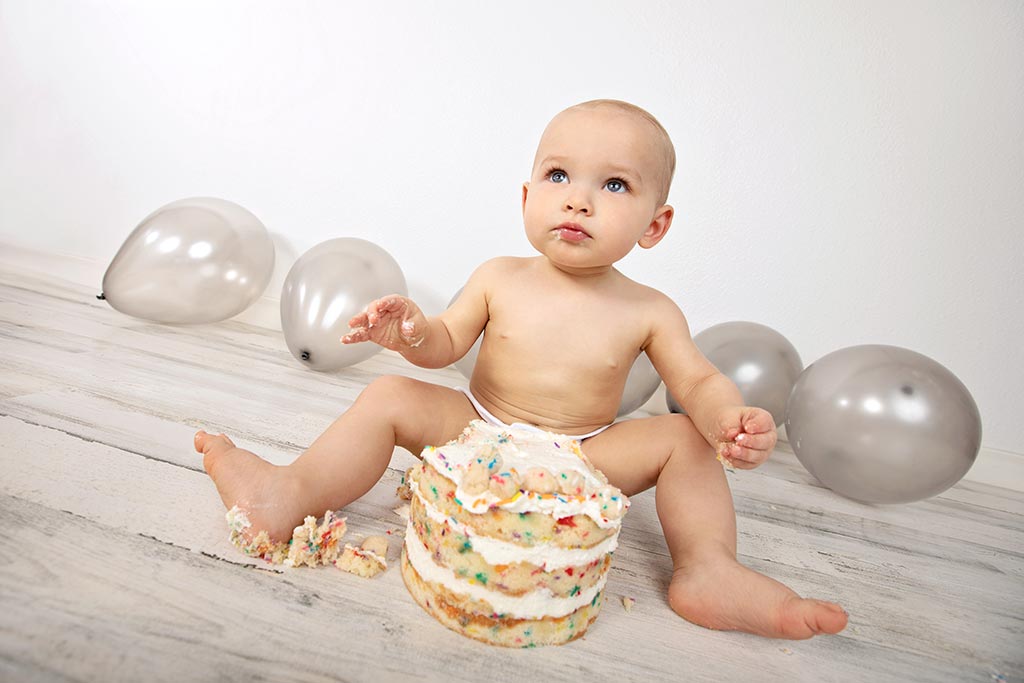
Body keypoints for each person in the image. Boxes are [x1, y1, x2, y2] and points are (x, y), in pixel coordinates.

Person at [197, 99, 848, 639]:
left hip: (586, 453)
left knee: (684, 439)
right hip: (476, 428)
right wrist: (413, 332)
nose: (579, 201)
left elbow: (698, 382)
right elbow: (448, 342)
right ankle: (287, 495)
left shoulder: (649, 309)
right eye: (559, 176)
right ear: (527, 194)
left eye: (614, 184)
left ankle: (708, 568)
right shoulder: (499, 276)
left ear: (656, 224)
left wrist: (725, 417)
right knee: (391, 393)